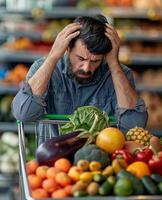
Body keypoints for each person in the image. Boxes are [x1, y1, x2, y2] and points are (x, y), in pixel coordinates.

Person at [12, 15, 148, 144]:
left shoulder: (120, 74)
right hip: (53, 163)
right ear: (67, 49)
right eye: (81, 58)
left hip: (100, 162)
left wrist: (114, 64)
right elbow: (24, 114)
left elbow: (134, 126)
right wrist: (53, 56)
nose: (87, 67)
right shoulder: (43, 68)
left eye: (96, 61)